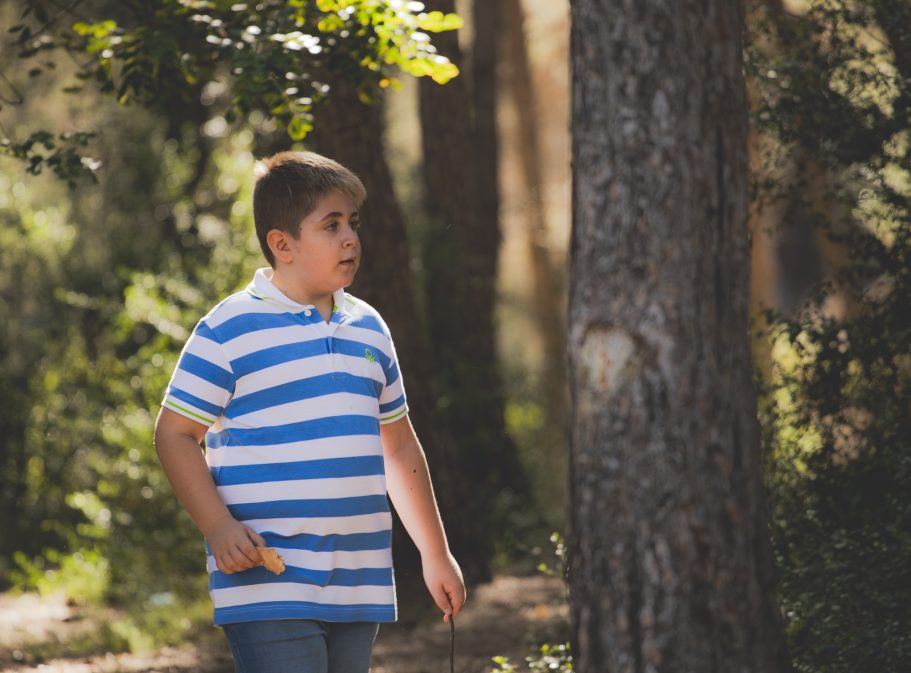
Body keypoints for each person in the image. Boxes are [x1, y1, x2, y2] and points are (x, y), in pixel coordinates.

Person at [153, 150, 466, 673]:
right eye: (331, 225)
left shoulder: (370, 328)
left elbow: (400, 446)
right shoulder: (229, 329)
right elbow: (174, 435)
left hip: (357, 580)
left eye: (353, 223)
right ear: (283, 245)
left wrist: (435, 552)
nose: (350, 238)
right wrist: (217, 526)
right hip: (266, 579)